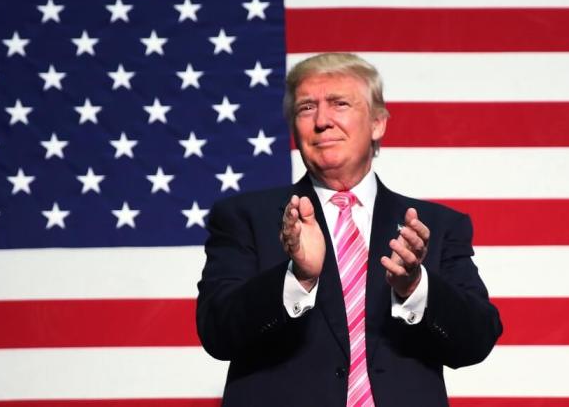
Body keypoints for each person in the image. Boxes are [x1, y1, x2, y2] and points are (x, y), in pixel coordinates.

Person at [197, 53, 502, 407]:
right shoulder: (244, 217)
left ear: (377, 123)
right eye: (306, 108)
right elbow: (217, 334)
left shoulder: (436, 226)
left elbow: (476, 341)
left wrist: (415, 288)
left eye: (339, 104)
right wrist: (297, 278)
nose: (322, 121)